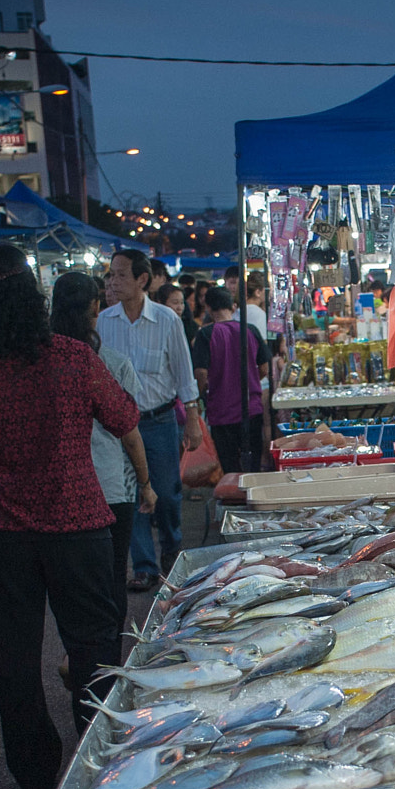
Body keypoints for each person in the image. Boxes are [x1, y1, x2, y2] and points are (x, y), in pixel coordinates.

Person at [0, 245, 143, 789]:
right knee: (94, 648)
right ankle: (104, 759)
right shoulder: (75, 357)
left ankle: (33, 771)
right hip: (77, 521)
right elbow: (123, 415)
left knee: (15, 656)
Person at [51, 270, 157, 639]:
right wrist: (145, 483)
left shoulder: (36, 364)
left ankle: (75, 653)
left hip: (57, 490)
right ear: (96, 310)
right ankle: (107, 658)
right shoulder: (109, 362)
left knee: (67, 584)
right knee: (111, 578)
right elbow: (129, 434)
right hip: (110, 489)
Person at [98, 247, 200, 590]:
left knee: (167, 493)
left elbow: (184, 372)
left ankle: (172, 547)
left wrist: (192, 418)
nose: (114, 281)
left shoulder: (167, 320)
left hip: (158, 422)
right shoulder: (104, 322)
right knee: (129, 494)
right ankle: (144, 566)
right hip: (117, 426)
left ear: (142, 279)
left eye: (121, 274)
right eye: (111, 274)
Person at [191, 286, 270, 475]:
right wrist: (248, 380)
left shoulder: (205, 335)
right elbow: (264, 368)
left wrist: (201, 395)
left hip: (221, 411)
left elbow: (201, 374)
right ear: (233, 306)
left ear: (208, 307)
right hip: (251, 408)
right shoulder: (250, 330)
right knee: (253, 467)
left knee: (230, 467)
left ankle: (234, 501)